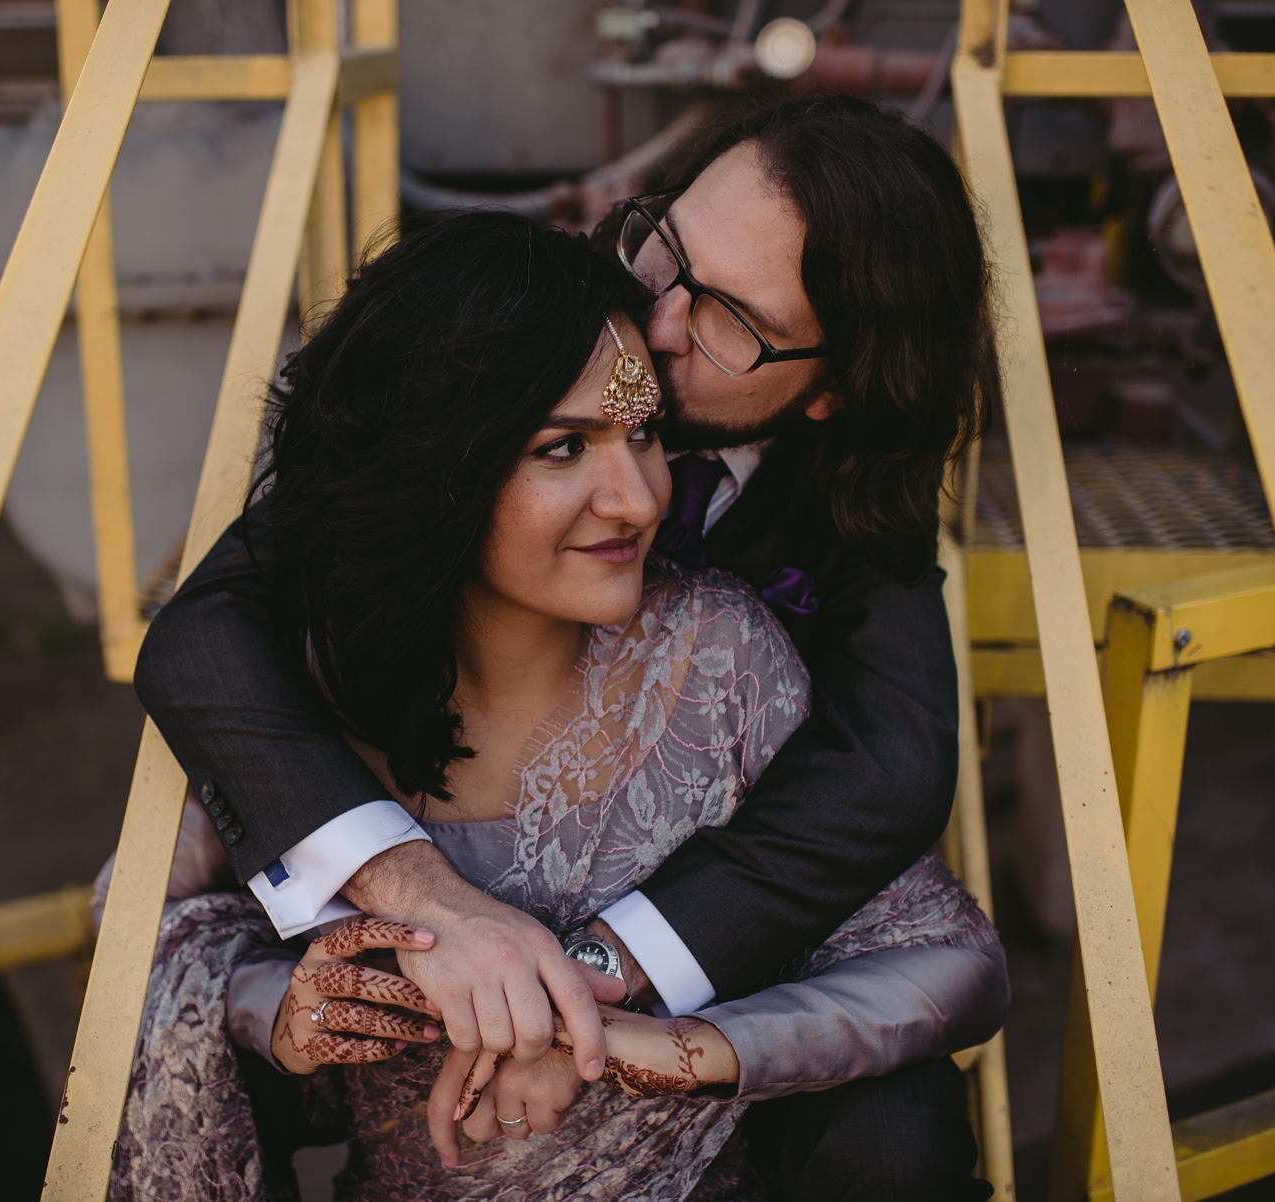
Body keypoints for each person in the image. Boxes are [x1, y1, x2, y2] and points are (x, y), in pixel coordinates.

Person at [133, 94, 999, 1195]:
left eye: (731, 317)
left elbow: (894, 765)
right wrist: (422, 895)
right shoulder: (505, 352)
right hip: (423, 1097)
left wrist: (599, 975)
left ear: (834, 389)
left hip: (720, 998)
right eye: (668, 248)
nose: (661, 315)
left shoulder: (822, 531)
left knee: (898, 1130)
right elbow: (206, 631)